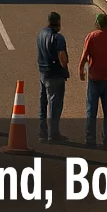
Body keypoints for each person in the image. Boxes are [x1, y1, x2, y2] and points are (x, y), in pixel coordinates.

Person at [79, 13, 107, 148]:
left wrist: (81, 69)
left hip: (95, 77)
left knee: (91, 109)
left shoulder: (92, 37)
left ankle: (90, 138)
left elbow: (85, 55)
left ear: (97, 24)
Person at [36, 11, 70, 142]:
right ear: (58, 22)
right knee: (54, 105)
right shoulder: (58, 37)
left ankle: (42, 133)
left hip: (43, 73)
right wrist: (65, 67)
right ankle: (53, 134)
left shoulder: (41, 34)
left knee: (43, 104)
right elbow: (61, 55)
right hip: (55, 74)